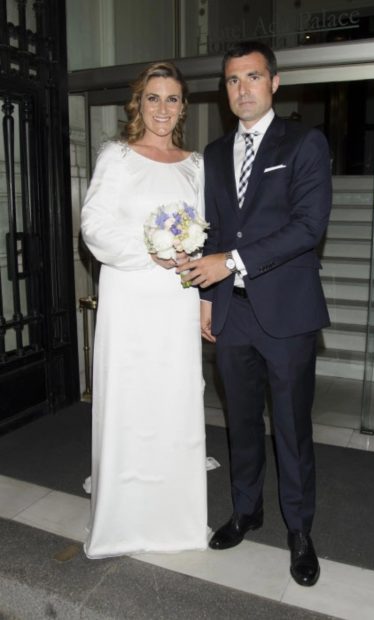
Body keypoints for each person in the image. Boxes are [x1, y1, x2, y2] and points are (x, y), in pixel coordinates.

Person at [180, 41, 332, 586]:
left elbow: (307, 227)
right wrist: (204, 298)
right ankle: (247, 510)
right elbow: (216, 230)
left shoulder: (305, 143)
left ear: (274, 82)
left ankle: (299, 530)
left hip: (287, 314)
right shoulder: (216, 153)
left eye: (251, 77)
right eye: (231, 80)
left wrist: (234, 261)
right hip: (232, 313)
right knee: (240, 423)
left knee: (291, 429)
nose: (241, 89)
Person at [81, 62, 208, 558]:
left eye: (171, 99)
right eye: (152, 98)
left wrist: (200, 294)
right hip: (130, 295)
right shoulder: (116, 156)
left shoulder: (194, 165)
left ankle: (174, 516)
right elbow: (93, 226)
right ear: (138, 104)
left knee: (173, 395)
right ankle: (125, 514)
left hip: (176, 298)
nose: (162, 108)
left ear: (182, 108)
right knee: (131, 395)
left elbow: (203, 235)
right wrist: (147, 250)